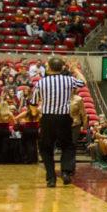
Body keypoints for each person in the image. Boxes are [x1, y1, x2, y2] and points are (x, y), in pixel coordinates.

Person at [31, 58, 85, 187]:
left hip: (47, 118)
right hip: (64, 118)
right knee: (68, 146)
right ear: (62, 68)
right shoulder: (69, 80)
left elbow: (33, 103)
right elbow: (83, 82)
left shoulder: (41, 82)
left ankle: (51, 178)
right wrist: (75, 69)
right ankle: (66, 172)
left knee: (45, 148)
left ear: (48, 68)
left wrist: (36, 114)